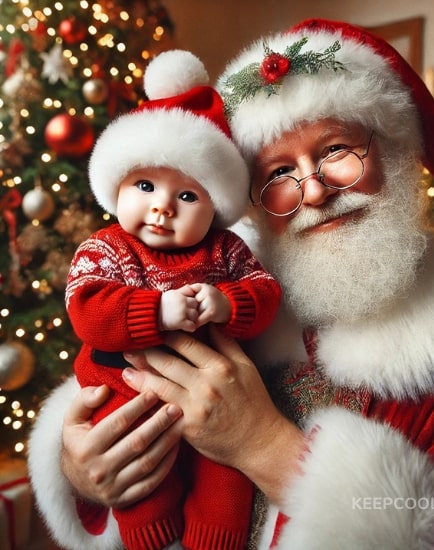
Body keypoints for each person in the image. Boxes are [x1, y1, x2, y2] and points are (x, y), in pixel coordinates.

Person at [28, 18, 434, 550]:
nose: (315, 191)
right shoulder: (225, 285)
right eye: (278, 174)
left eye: (335, 150)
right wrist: (82, 467)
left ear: (392, 153)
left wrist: (266, 447)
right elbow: (116, 398)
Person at [57, 49, 281, 550]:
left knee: (226, 479)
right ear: (116, 188)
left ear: (216, 207)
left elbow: (265, 293)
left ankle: (215, 538)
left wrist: (226, 304)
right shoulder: (105, 247)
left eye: (187, 196)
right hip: (125, 391)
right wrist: (156, 312)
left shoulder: (226, 250)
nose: (161, 205)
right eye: (144, 184)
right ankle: (146, 536)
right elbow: (88, 308)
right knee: (136, 464)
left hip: (216, 396)